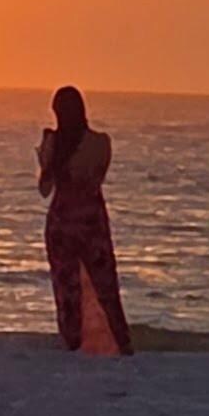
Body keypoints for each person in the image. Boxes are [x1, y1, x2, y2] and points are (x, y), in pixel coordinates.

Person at [37, 84, 132, 356]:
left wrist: (46, 158)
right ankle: (118, 342)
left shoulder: (54, 144)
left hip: (62, 220)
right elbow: (98, 176)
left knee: (67, 288)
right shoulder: (100, 143)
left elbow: (44, 188)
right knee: (105, 284)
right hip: (91, 218)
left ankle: (74, 341)